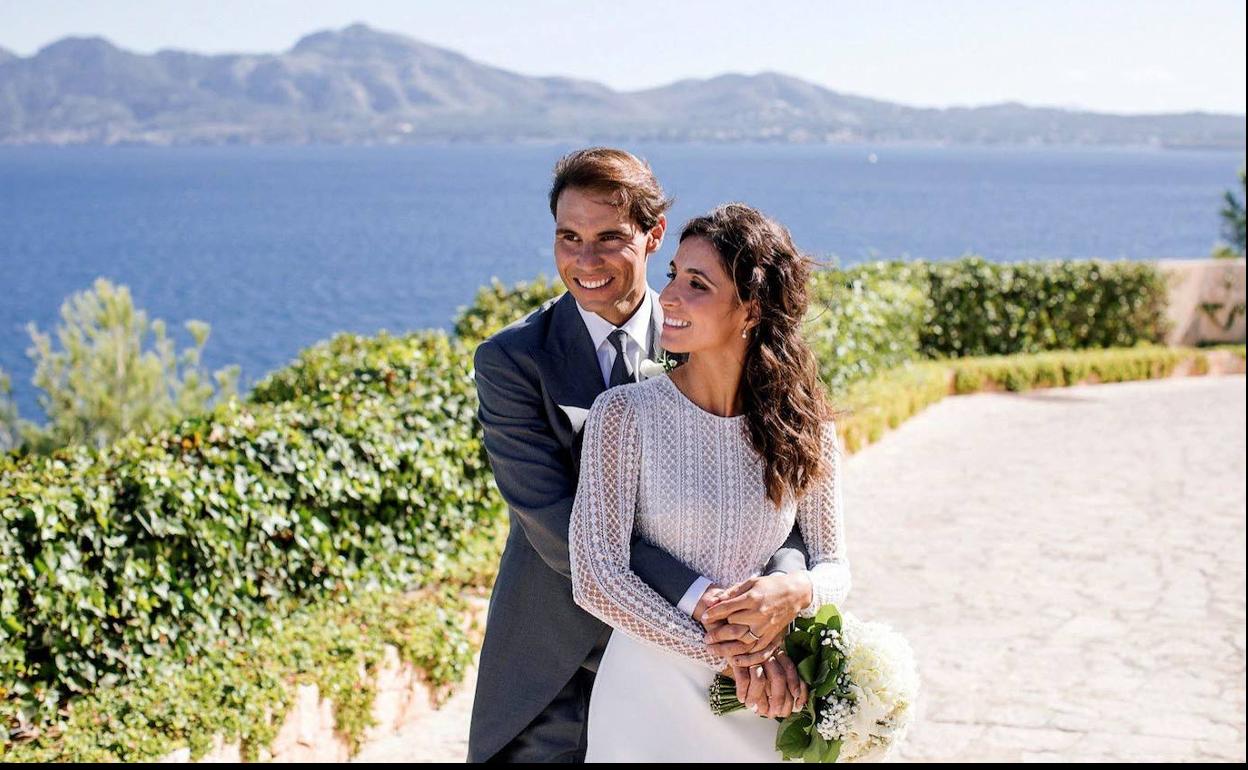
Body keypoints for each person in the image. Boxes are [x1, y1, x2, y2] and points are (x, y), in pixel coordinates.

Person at [467, 149, 817, 763]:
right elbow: (558, 527)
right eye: (568, 237)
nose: (585, 260)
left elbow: (779, 489)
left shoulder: (708, 327)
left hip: (699, 664)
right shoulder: (512, 361)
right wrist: (708, 609)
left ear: (654, 236)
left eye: (609, 238)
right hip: (562, 661)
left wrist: (780, 588)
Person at [569, 202, 852, 762]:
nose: (668, 296)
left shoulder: (806, 427)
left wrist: (798, 592)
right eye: (672, 274)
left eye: (696, 284)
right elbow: (595, 575)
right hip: (651, 698)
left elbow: (835, 566)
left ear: (750, 309)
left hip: (760, 703)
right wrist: (736, 656)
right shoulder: (624, 414)